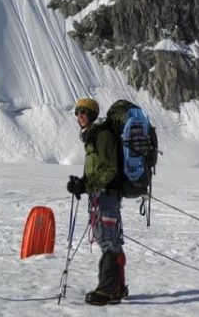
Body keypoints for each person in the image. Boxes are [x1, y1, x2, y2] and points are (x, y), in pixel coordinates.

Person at [66, 98, 128, 305]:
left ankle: (108, 289)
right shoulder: (93, 135)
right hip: (101, 194)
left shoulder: (102, 134)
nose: (80, 116)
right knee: (109, 238)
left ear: (92, 114)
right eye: (77, 112)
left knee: (107, 239)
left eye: (84, 112)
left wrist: (87, 186)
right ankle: (118, 287)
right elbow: (96, 169)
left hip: (107, 194)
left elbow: (110, 168)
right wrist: (81, 183)